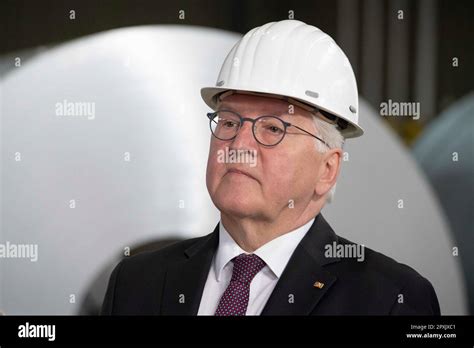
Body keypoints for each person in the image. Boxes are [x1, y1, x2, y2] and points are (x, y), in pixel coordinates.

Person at [101, 20, 440, 315]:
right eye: (230, 122)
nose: (239, 146)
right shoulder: (135, 284)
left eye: (273, 129)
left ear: (327, 170)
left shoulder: (389, 300)